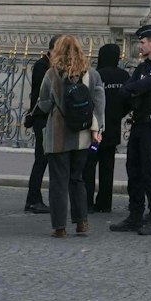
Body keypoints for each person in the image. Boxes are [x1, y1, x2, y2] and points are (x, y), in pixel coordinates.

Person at [35, 35, 105, 238]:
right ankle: (81, 221)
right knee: (77, 179)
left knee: (58, 181)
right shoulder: (92, 74)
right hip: (83, 135)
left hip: (58, 136)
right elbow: (99, 104)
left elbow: (44, 104)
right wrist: (97, 129)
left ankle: (59, 226)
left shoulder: (51, 74)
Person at [110, 24, 151, 236]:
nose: (141, 45)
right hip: (138, 124)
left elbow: (138, 88)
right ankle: (135, 215)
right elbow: (127, 90)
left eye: (143, 42)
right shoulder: (143, 68)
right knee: (134, 171)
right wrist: (134, 89)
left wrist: (135, 89)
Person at [88, 41, 130, 212]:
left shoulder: (97, 74)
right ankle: (105, 203)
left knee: (89, 166)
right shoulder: (124, 76)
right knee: (108, 168)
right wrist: (118, 114)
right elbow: (129, 100)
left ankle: (87, 202)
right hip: (113, 127)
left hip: (96, 128)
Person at [23, 34, 58, 214]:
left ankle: (33, 198)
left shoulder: (48, 65)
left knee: (43, 159)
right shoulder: (42, 66)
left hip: (47, 118)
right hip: (41, 118)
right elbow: (43, 92)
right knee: (41, 159)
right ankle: (33, 198)